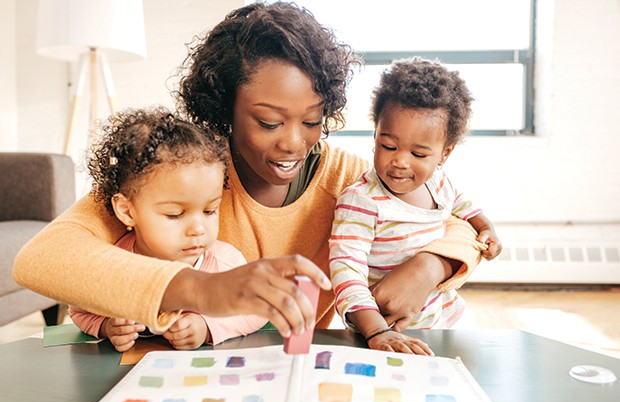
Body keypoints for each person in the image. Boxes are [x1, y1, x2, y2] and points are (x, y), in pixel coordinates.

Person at [14, 2, 482, 339]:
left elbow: (460, 221)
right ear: (225, 109)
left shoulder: (349, 179)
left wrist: (431, 264)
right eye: (269, 122)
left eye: (312, 122)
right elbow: (41, 258)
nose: (293, 143)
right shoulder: (181, 174)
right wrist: (205, 290)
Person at [330, 57, 502, 353]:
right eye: (388, 146)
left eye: (419, 154)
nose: (400, 161)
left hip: (446, 320)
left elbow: (461, 203)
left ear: (444, 154)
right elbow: (346, 271)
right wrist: (377, 332)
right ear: (375, 134)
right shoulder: (361, 201)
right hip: (387, 333)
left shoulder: (437, 181)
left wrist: (485, 227)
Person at [68, 107, 268, 352]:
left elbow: (258, 309)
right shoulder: (111, 266)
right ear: (127, 211)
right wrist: (106, 326)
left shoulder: (224, 264)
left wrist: (207, 326)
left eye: (209, 211)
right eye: (175, 214)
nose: (198, 229)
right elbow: (78, 309)